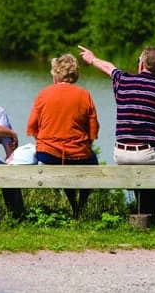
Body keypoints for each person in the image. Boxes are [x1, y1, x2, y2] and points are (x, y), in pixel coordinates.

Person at [78, 45, 155, 167]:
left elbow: (109, 68)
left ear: (141, 64)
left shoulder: (123, 80)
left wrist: (92, 59)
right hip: (147, 153)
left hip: (120, 154)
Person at [26, 54, 100, 217]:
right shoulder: (85, 95)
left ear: (57, 74)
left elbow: (31, 126)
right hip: (78, 154)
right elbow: (93, 131)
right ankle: (80, 207)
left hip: (48, 154)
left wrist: (45, 141)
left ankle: (73, 205)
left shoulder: (43, 94)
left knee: (65, 161)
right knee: (92, 161)